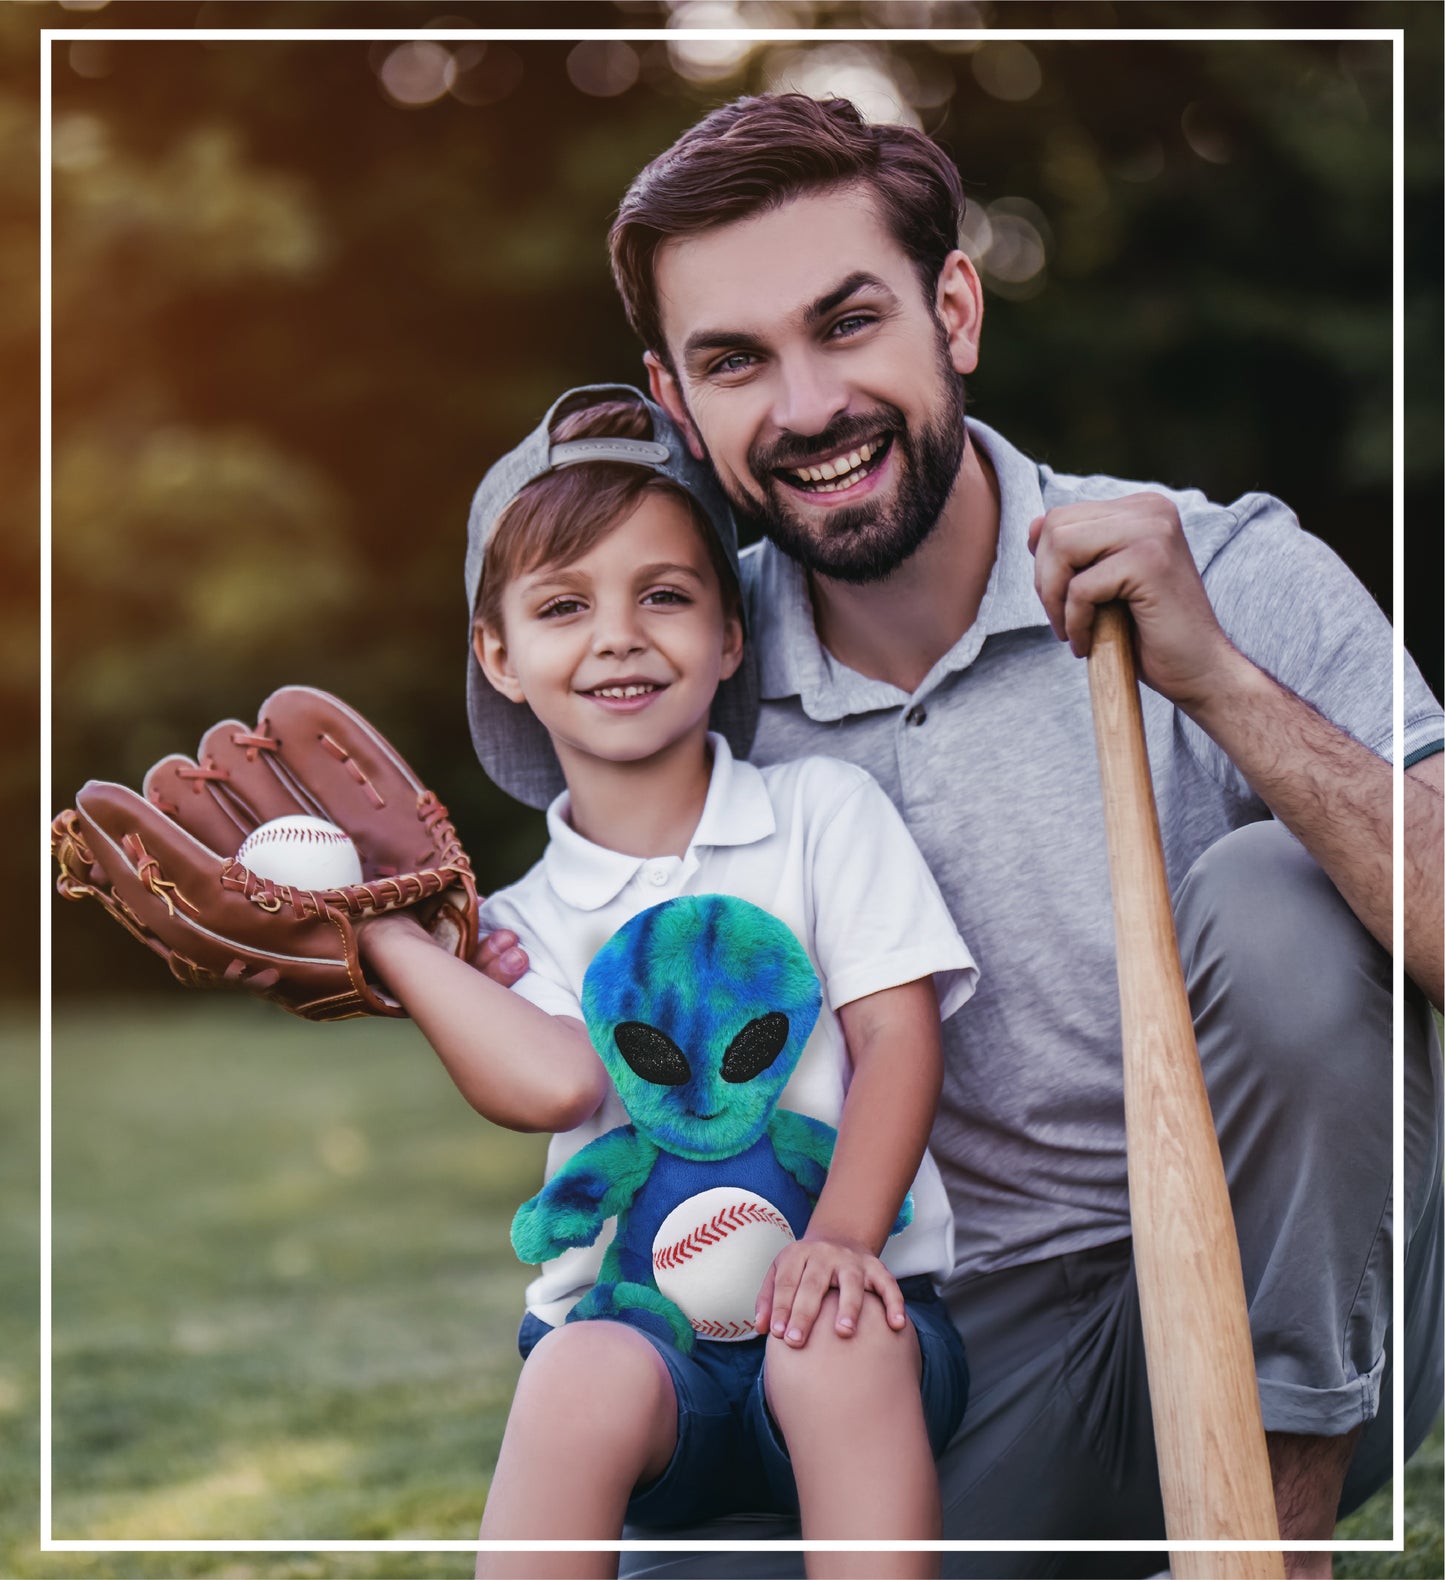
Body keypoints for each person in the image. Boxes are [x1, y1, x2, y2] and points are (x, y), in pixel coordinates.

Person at [478, 94, 1443, 1579]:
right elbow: (554, 939)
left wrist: (1219, 682)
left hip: (1285, 1303)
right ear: (676, 403)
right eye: (737, 362)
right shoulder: (681, 663)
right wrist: (381, 943)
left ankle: (1265, 1555)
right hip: (920, 1345)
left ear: (954, 307)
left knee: (1277, 899)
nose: (804, 408)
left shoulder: (1225, 566)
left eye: (846, 323)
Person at [362, 384, 977, 1580]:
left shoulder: (817, 814)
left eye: (664, 594)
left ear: (730, 631)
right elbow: (550, 1083)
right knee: (576, 1368)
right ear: (498, 653)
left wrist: (841, 1236)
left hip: (860, 1325)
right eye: (559, 605)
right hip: (651, 1362)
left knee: (833, 1336)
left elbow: (899, 1039)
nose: (617, 635)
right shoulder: (518, 923)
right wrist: (391, 938)